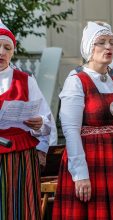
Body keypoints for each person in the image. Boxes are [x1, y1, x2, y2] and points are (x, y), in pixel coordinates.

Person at [52, 21, 113, 219]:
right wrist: (80, 175)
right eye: (101, 42)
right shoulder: (77, 81)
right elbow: (70, 130)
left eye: (112, 42)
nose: (109, 47)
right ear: (89, 48)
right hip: (91, 162)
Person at [0, 19, 53, 219]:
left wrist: (39, 123)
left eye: (7, 47)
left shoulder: (25, 80)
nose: (2, 52)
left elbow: (46, 119)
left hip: (20, 155)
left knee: (20, 207)